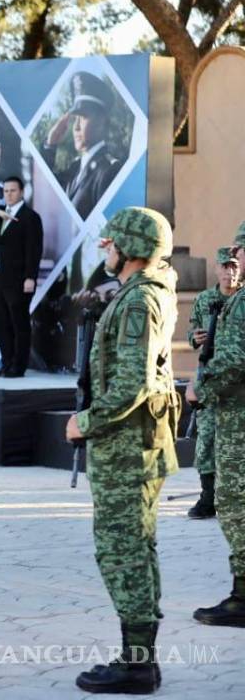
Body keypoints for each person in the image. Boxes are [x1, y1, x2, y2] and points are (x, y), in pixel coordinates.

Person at [65, 207, 180, 694]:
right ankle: (140, 657)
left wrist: (84, 422)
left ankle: (136, 665)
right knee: (136, 547)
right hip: (132, 445)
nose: (105, 249)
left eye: (111, 243)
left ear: (130, 248)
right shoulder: (142, 293)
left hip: (127, 448)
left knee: (123, 551)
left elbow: (132, 381)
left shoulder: (139, 301)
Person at [190, 221, 245, 630]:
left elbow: (233, 359)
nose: (235, 259)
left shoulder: (241, 304)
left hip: (238, 418)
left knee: (236, 504)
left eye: (239, 251)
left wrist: (200, 388)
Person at [186, 247, 240, 519]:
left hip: (237, 382)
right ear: (216, 270)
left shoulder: (241, 300)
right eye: (225, 267)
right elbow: (190, 332)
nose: (230, 272)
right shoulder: (206, 299)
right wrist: (195, 338)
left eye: (234, 266)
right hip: (209, 378)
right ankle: (208, 498)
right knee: (206, 438)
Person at [0, 177, 43, 378]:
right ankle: (6, 363)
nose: (8, 194)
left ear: (21, 192)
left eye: (12, 191)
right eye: (6, 191)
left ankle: (19, 366)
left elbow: (33, 250)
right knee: (1, 323)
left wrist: (30, 277)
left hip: (18, 280)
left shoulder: (30, 217)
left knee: (19, 323)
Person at [43, 71, 123, 219]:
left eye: (84, 117)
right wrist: (50, 145)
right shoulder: (75, 168)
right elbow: (45, 193)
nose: (76, 126)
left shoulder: (109, 171)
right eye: (75, 118)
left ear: (101, 121)